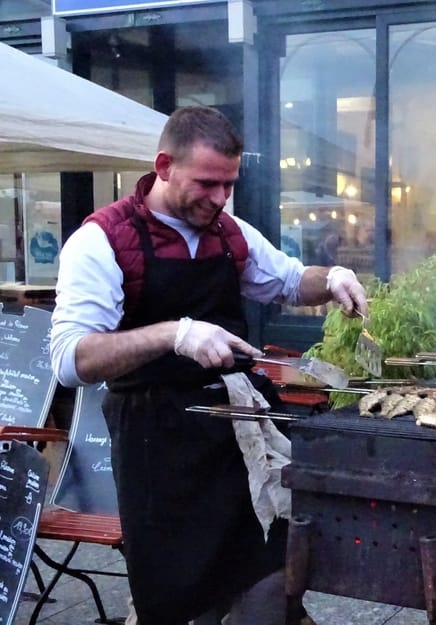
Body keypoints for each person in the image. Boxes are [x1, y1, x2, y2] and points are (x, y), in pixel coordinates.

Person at [49, 106, 369, 625]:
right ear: (164, 165)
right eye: (207, 183)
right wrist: (175, 334)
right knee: (177, 594)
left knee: (268, 569)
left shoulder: (230, 232)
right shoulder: (102, 241)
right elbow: (69, 358)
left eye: (229, 185)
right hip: (159, 445)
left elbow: (288, 280)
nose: (220, 198)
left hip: (235, 440)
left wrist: (331, 278)